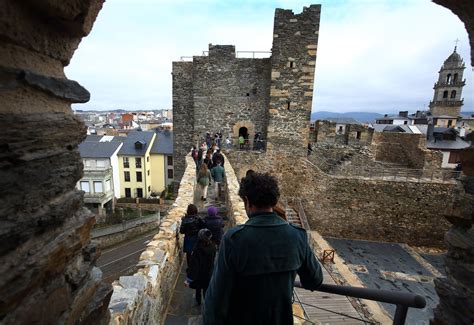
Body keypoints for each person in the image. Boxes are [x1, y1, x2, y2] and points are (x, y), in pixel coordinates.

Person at [203, 173, 323, 325]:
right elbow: (315, 280)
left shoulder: (234, 240)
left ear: (247, 201)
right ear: (273, 200)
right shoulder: (296, 236)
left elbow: (217, 298)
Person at [185, 228, 217, 306]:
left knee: (198, 289)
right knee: (206, 289)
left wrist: (188, 280)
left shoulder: (197, 249)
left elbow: (194, 266)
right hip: (209, 272)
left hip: (199, 274)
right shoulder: (213, 247)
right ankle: (207, 304)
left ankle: (198, 301)